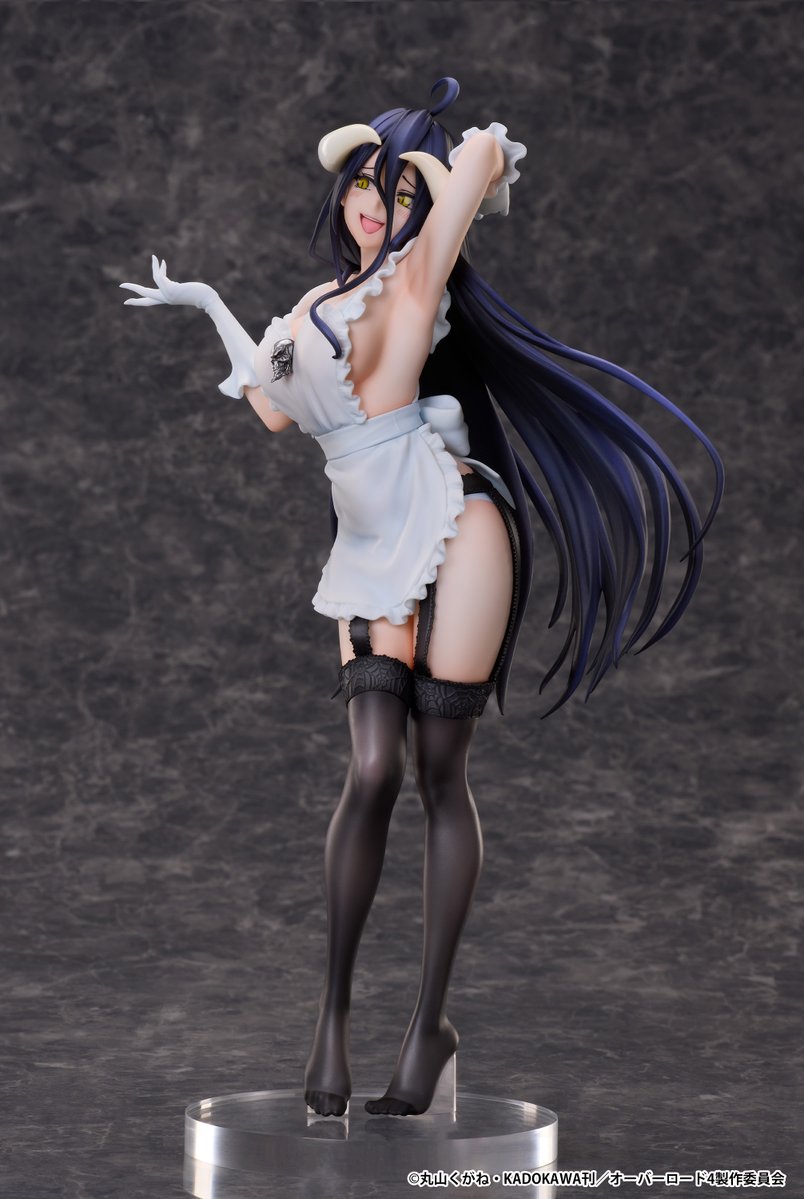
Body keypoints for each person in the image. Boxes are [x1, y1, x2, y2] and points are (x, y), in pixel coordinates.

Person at [120, 77, 724, 1119]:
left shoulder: (417, 278)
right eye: (365, 184)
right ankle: (331, 1019)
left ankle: (428, 1023)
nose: (376, 205)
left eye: (396, 193)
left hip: (455, 514)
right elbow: (271, 410)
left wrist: (432, 164)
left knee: (441, 769)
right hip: (368, 543)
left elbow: (483, 156)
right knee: (371, 767)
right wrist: (209, 303)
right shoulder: (308, 310)